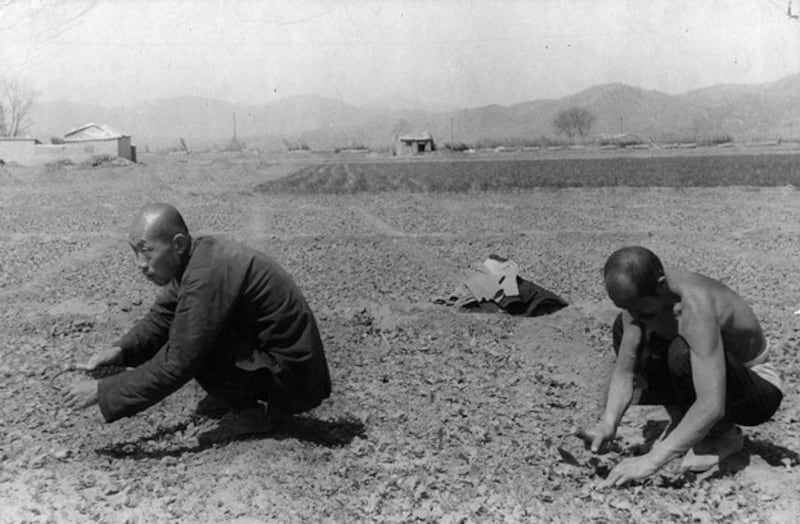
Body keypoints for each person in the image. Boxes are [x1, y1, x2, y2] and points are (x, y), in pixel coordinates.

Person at [64, 203, 331, 437]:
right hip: (282, 363)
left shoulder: (205, 274)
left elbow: (177, 364)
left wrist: (104, 391)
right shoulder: (197, 259)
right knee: (188, 333)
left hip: (295, 377)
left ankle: (253, 415)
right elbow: (162, 316)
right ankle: (247, 400)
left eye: (146, 252)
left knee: (193, 349)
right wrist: (120, 351)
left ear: (178, 244)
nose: (139, 264)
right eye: (134, 252)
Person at [582, 246, 782, 488]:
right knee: (625, 328)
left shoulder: (694, 306)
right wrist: (608, 423)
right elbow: (626, 370)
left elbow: (711, 404)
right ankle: (685, 421)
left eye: (642, 310)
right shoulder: (643, 296)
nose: (634, 315)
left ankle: (720, 434)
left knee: (681, 351)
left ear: (661, 285)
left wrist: (652, 460)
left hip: (756, 391)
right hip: (713, 373)